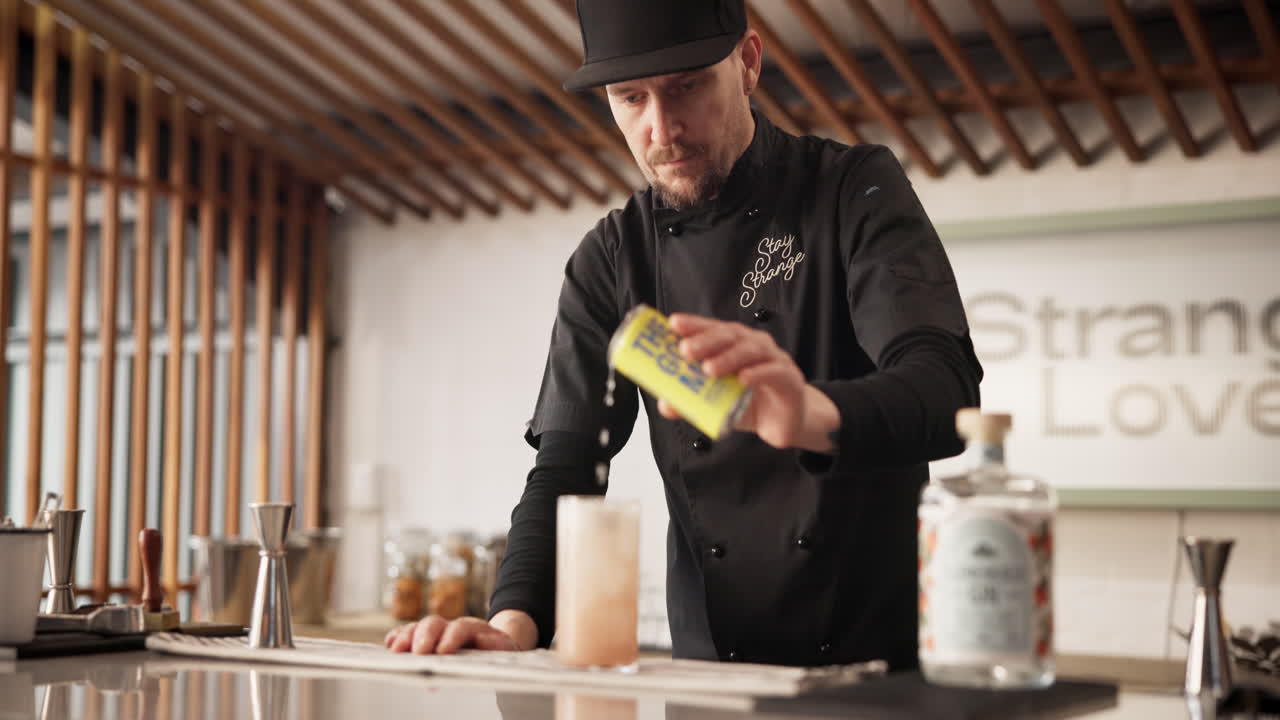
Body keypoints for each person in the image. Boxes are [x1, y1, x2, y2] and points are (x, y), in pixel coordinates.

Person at [385, 0, 982, 670]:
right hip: (709, 675)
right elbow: (570, 466)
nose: (660, 127)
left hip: (875, 675)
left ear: (748, 64)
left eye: (687, 86)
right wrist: (513, 620)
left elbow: (946, 389)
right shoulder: (614, 258)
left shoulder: (851, 191)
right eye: (630, 98)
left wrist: (812, 413)